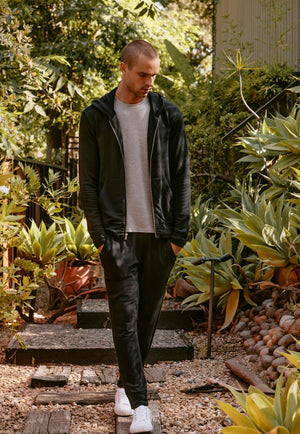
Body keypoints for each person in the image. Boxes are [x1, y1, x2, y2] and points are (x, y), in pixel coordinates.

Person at [79, 39, 190, 433]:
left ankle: (127, 385)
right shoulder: (96, 116)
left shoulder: (167, 114)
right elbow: (88, 184)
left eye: (154, 75)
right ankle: (141, 405)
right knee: (125, 318)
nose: (149, 82)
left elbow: (181, 176)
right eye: (143, 74)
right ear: (123, 68)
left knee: (146, 317)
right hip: (117, 235)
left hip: (160, 236)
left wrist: (179, 235)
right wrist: (99, 237)